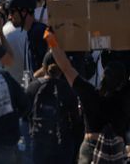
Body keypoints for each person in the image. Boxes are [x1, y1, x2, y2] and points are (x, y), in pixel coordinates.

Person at [45, 30, 130, 164]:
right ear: (123, 82)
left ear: (102, 78)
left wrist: (50, 39)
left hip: (90, 149)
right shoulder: (125, 98)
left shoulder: (89, 92)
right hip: (116, 151)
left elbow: (66, 67)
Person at [25, 50, 79, 164]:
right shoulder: (67, 89)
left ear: (43, 67)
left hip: (39, 144)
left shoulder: (32, 87)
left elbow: (25, 116)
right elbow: (75, 121)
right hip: (62, 144)